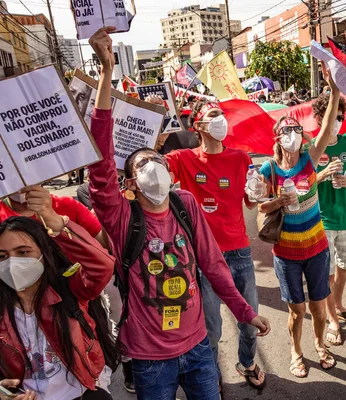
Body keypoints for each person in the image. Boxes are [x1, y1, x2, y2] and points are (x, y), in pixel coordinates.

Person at [86, 27, 270, 400]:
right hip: (151, 360)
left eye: (156, 158)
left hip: (199, 349)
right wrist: (106, 74)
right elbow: (101, 166)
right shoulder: (125, 220)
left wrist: (245, 312)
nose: (152, 165)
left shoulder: (185, 204)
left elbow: (214, 265)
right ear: (131, 185)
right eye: (141, 165)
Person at [164, 98, 266, 391]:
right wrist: (155, 137)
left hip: (239, 253)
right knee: (211, 328)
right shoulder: (184, 158)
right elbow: (152, 166)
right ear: (199, 125)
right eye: (213, 115)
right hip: (203, 258)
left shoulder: (241, 158)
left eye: (222, 114)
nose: (221, 119)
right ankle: (211, 375)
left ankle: (246, 362)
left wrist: (259, 190)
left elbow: (252, 199)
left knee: (248, 320)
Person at [257, 63, 339, 378]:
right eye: (287, 131)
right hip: (287, 254)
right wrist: (278, 200)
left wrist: (333, 91)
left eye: (296, 130)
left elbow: (329, 121)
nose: (294, 135)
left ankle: (320, 346)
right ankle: (296, 351)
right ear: (277, 138)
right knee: (297, 311)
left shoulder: (309, 159)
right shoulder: (269, 170)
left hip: (317, 248)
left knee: (319, 308)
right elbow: (259, 207)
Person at [0, 210, 118, 398]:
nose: (12, 263)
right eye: (2, 256)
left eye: (23, 252)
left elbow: (103, 265)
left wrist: (60, 225)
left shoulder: (68, 288)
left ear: (44, 253)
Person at [312, 93, 346, 346]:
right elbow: (302, 185)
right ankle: (333, 320)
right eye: (333, 116)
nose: (338, 121)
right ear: (320, 118)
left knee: (343, 269)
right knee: (327, 274)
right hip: (322, 221)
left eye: (341, 117)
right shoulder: (311, 147)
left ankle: (339, 305)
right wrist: (322, 174)